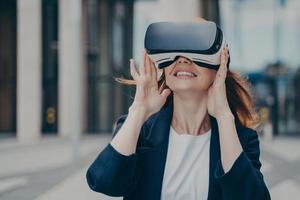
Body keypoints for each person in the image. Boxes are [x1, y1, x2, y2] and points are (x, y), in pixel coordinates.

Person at [86, 47, 271, 200]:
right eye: (174, 52)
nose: (182, 59)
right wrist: (139, 109)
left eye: (198, 51)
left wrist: (224, 116)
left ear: (219, 69)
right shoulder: (140, 129)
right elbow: (104, 183)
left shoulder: (240, 138)